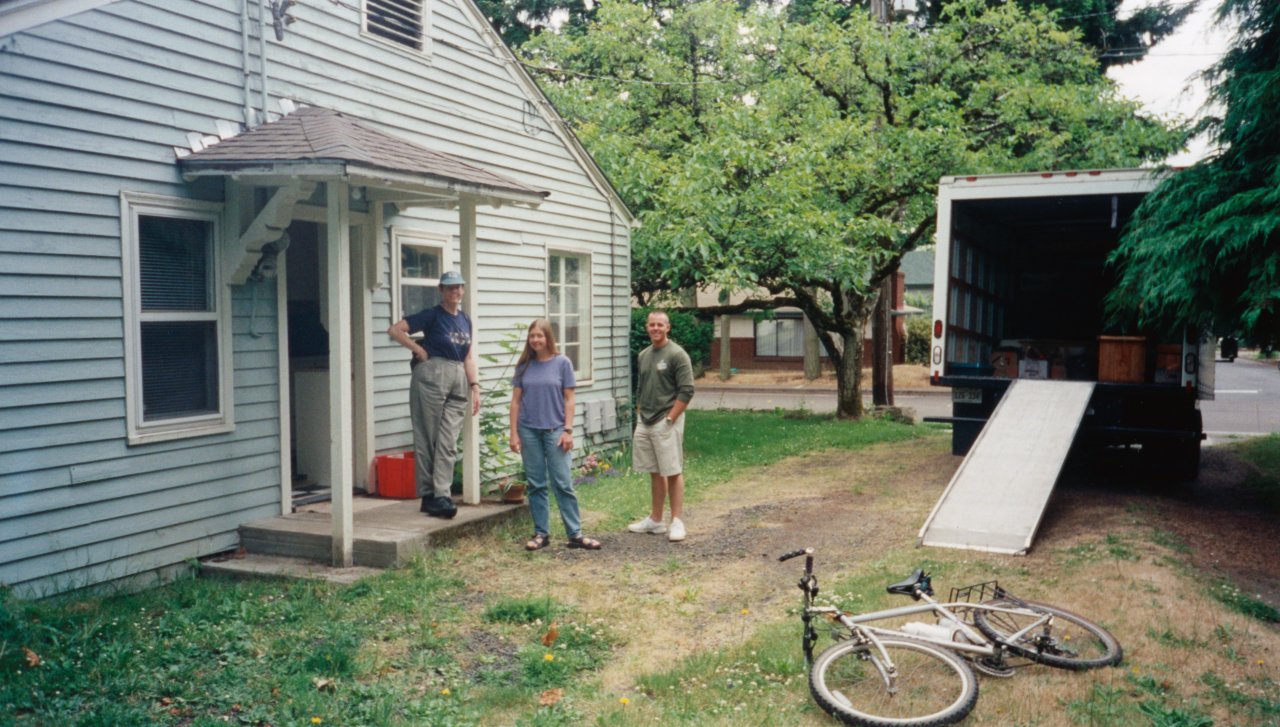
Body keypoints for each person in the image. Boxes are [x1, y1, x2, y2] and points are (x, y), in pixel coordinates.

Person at [387, 271, 481, 519]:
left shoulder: (465, 320)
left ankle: (442, 493)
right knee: (427, 436)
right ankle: (431, 496)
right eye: (450, 288)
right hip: (432, 375)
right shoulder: (432, 315)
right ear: (441, 290)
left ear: (463, 289)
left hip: (458, 376)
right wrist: (419, 349)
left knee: (448, 440)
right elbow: (396, 330)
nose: (455, 292)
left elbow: (469, 355)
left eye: (459, 287)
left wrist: (475, 385)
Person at [509, 320, 601, 551]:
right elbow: (515, 401)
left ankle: (575, 534)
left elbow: (569, 399)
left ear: (548, 338)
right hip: (528, 431)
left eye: (540, 336)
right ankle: (541, 534)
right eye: (532, 336)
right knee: (537, 484)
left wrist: (568, 430)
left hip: (556, 432)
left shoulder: (562, 363)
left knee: (563, 483)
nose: (536, 340)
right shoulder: (524, 366)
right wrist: (513, 433)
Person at [627, 310, 695, 542]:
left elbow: (687, 390)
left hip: (667, 420)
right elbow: (640, 386)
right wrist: (638, 412)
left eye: (660, 325)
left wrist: (671, 417)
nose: (655, 328)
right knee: (654, 470)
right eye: (651, 324)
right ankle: (656, 520)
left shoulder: (677, 354)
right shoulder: (644, 354)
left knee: (672, 470)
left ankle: (676, 521)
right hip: (645, 420)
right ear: (647, 327)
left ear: (668, 328)